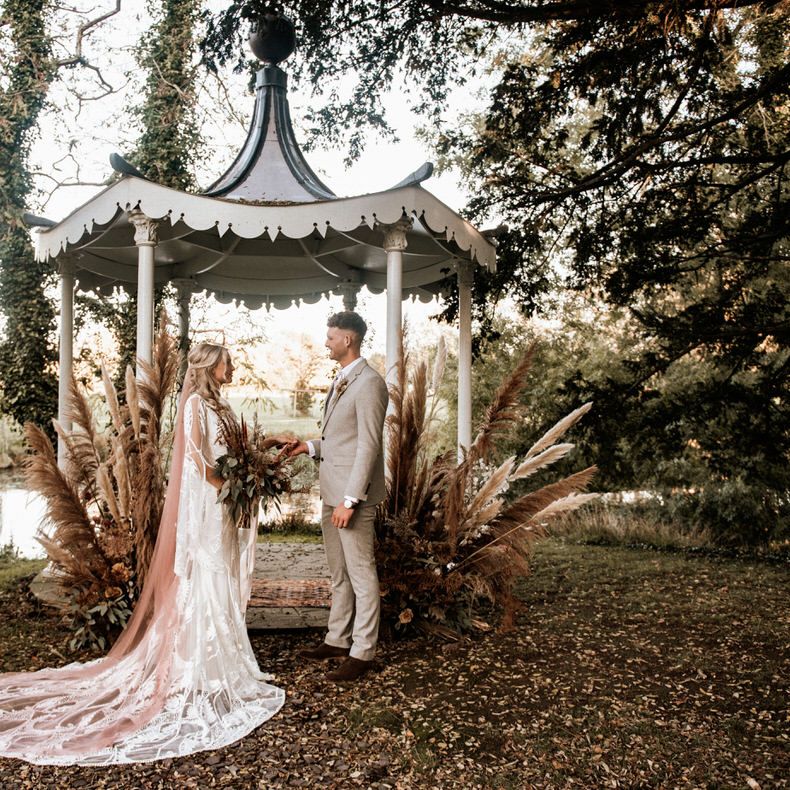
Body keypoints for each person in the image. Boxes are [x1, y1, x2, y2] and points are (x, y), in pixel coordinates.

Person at [0, 343, 284, 765]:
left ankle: (227, 660)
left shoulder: (219, 403)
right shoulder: (192, 406)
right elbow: (202, 464)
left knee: (220, 572)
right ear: (210, 364)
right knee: (206, 575)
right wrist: (230, 487)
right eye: (228, 361)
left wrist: (255, 460)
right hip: (209, 504)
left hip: (223, 504)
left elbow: (228, 451)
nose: (233, 367)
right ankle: (199, 666)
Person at [288, 311, 389, 683]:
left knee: (361, 573)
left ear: (348, 340)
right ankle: (337, 638)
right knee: (339, 573)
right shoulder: (343, 380)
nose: (326, 342)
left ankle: (363, 652)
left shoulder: (370, 384)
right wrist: (307, 447)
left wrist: (350, 500)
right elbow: (339, 440)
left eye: (330, 336)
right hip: (332, 490)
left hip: (351, 497)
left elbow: (368, 447)